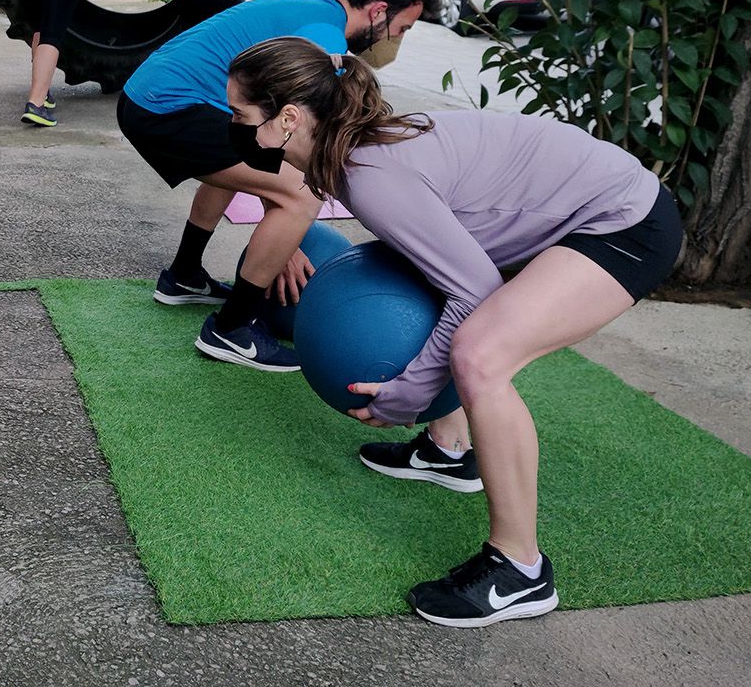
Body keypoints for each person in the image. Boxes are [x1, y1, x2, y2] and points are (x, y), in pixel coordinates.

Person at [223, 36, 683, 628]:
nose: (236, 130)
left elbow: (474, 287)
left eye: (241, 117)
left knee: (480, 357)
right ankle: (447, 452)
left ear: (288, 120)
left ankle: (520, 570)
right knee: (417, 269)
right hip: (588, 202)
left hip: (625, 223)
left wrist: (411, 391)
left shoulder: (368, 175)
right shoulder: (351, 150)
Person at [116, 0, 432, 371]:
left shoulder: (314, 13)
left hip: (147, 98)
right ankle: (230, 330)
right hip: (168, 108)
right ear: (378, 12)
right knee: (299, 197)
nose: (395, 39)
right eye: (401, 28)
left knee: (242, 158)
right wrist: (290, 241)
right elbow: (289, 141)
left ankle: (184, 276)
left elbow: (265, 143)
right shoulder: (326, 40)